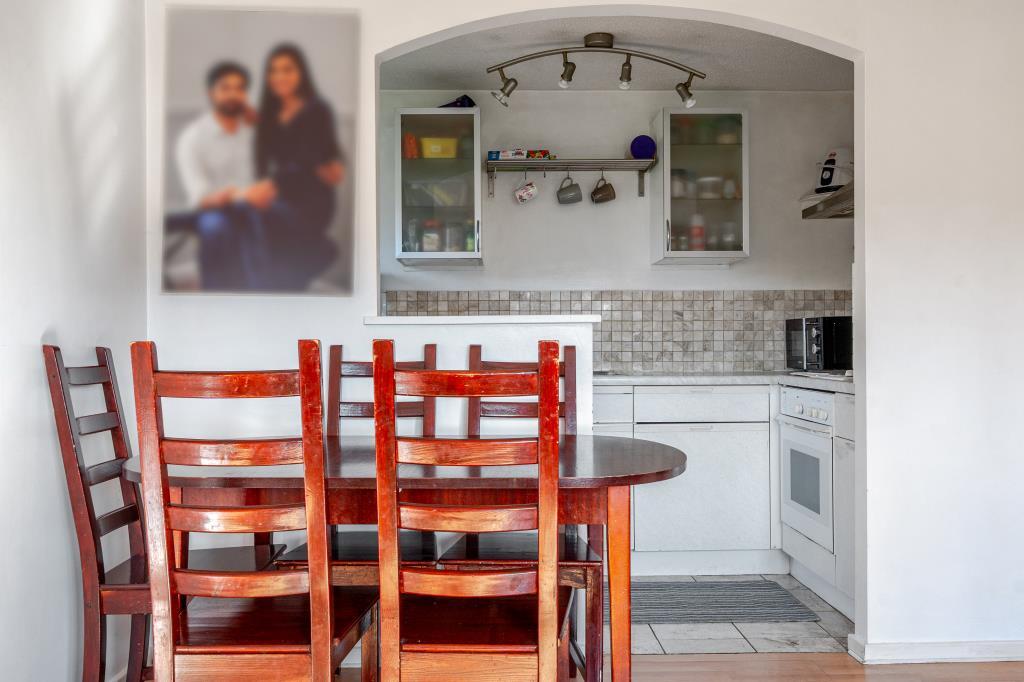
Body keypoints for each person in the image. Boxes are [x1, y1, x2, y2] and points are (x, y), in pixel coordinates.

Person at [172, 61, 276, 290]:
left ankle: (266, 297)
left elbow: (275, 171)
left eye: (239, 88)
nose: (233, 94)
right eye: (225, 88)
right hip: (212, 210)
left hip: (252, 207)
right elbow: (201, 197)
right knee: (217, 228)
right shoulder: (194, 137)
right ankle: (217, 299)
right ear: (211, 93)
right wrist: (242, 195)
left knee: (283, 218)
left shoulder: (252, 132)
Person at [253, 43, 344, 290]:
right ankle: (289, 287)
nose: (279, 76)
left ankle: (321, 254)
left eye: (287, 69)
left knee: (274, 230)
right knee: (258, 224)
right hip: (282, 193)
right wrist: (259, 187)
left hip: (312, 196)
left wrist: (271, 184)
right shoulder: (268, 114)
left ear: (301, 73)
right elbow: (260, 159)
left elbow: (310, 158)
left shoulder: (317, 109)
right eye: (273, 70)